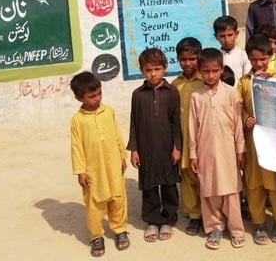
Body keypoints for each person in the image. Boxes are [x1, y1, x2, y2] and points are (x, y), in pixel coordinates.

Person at [189, 48, 247, 250]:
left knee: (230, 190)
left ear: (222, 70)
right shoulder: (196, 96)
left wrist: (240, 150)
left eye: (215, 71)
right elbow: (192, 127)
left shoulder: (231, 93)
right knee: (209, 188)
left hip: (228, 150)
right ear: (200, 71)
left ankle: (236, 229)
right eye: (206, 71)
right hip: (205, 151)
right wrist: (193, 154)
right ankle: (214, 226)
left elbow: (238, 124)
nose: (210, 75)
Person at [69, 71, 129, 257]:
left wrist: (122, 155)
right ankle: (96, 236)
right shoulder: (77, 120)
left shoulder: (108, 111)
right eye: (92, 96)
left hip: (113, 164)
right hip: (92, 169)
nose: (97, 98)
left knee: (118, 198)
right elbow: (76, 146)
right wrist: (80, 171)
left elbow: (117, 134)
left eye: (99, 94)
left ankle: (120, 229)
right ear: (80, 97)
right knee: (95, 203)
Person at [237, 35, 276, 245]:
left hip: (272, 143)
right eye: (254, 60)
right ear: (249, 59)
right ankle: (259, 223)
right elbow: (237, 106)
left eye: (263, 59)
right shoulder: (243, 82)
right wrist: (245, 118)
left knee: (274, 185)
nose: (259, 64)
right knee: (254, 185)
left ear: (271, 57)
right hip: (251, 142)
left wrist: (271, 82)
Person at [127, 48, 182, 242]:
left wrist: (177, 147)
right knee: (149, 185)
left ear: (165, 68)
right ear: (142, 70)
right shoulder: (138, 94)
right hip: (146, 147)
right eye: (148, 70)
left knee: (168, 185)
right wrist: (134, 149)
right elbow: (133, 122)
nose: (153, 74)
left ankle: (168, 218)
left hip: (167, 147)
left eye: (157, 69)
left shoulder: (172, 92)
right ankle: (152, 220)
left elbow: (176, 121)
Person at [172, 37, 204, 236]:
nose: (188, 63)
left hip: (205, 140)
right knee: (188, 179)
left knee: (206, 178)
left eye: (192, 58)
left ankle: (210, 213)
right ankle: (194, 215)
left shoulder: (206, 81)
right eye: (183, 59)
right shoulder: (176, 84)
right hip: (184, 139)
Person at [214, 15, 250, 85]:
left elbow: (246, 80)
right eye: (222, 36)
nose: (226, 40)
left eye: (230, 35)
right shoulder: (214, 57)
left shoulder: (244, 55)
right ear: (216, 37)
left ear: (236, 34)